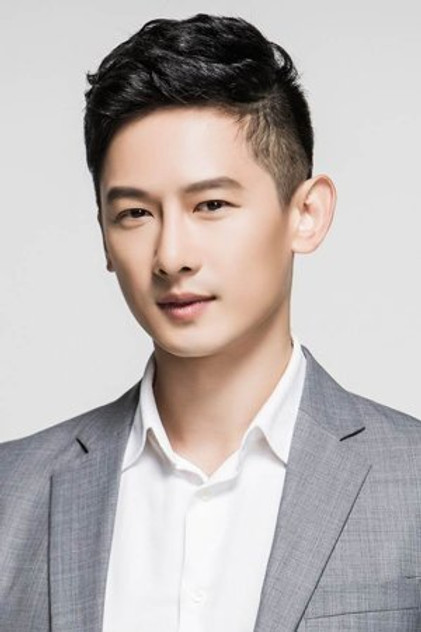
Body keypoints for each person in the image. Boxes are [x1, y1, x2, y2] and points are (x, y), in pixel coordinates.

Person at [1, 12, 420, 632]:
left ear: (307, 214)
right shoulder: (12, 491)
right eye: (136, 213)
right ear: (104, 237)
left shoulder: (411, 482)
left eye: (212, 204)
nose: (171, 256)